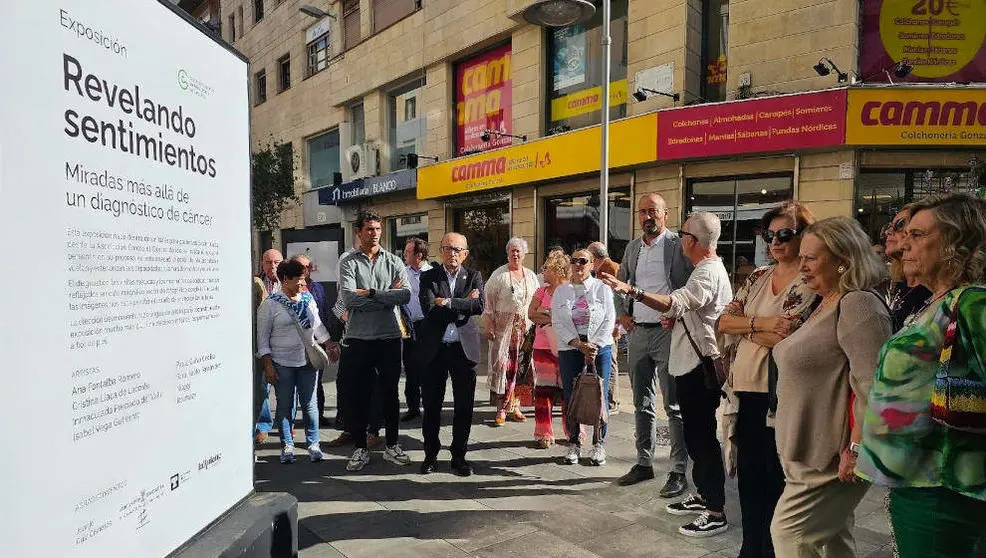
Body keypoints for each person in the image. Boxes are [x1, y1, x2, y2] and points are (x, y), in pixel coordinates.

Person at [857, 193, 986, 558]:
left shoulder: (973, 303)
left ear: (956, 242)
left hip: (942, 489)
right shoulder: (937, 301)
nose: (902, 247)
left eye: (917, 235)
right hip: (918, 482)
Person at [602, 211, 734, 537]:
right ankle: (704, 494)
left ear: (692, 241)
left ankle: (715, 511)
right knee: (695, 434)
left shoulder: (706, 273)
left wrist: (631, 290)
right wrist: (677, 320)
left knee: (702, 438)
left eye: (683, 233)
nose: (679, 239)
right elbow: (692, 312)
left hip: (699, 367)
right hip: (689, 364)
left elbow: (677, 302)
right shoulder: (704, 269)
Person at [768, 217, 892, 557]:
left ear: (844, 260)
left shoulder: (858, 304)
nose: (802, 265)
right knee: (836, 538)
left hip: (831, 458)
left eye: (811, 258)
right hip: (808, 452)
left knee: (789, 534)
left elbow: (873, 385)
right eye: (802, 256)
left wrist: (855, 449)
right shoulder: (822, 301)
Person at [715, 201, 819, 557]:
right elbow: (723, 322)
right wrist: (760, 325)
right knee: (749, 482)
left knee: (777, 483)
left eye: (785, 234)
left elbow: (788, 336)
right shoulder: (758, 277)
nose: (775, 241)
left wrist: (746, 328)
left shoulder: (811, 281)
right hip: (744, 392)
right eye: (768, 234)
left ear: (804, 236)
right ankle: (750, 549)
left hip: (780, 396)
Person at [613, 193, 694, 498]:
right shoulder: (633, 247)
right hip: (638, 335)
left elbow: (689, 286)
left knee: (673, 405)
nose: (648, 217)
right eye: (643, 212)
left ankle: (677, 469)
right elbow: (620, 284)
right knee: (641, 403)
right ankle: (643, 462)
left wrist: (677, 315)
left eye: (653, 212)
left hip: (667, 334)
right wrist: (623, 314)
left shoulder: (677, 245)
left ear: (665, 214)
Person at [339, 209, 412, 472]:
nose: (374, 234)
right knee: (360, 395)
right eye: (369, 229)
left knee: (390, 393)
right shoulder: (349, 262)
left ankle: (392, 444)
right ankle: (360, 448)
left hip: (390, 337)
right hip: (359, 338)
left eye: (378, 229)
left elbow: (404, 295)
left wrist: (370, 293)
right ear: (358, 232)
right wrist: (384, 296)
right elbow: (349, 299)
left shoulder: (393, 260)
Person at [416, 233, 485, 477]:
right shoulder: (428, 276)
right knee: (432, 406)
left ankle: (459, 457)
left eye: (457, 249)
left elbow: (479, 306)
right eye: (447, 248)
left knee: (464, 407)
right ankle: (430, 455)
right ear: (440, 251)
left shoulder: (474, 276)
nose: (452, 253)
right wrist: (461, 303)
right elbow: (428, 309)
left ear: (465, 253)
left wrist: (446, 302)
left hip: (462, 351)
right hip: (435, 350)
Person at [256, 259, 333, 464]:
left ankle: (313, 444)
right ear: (285, 279)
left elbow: (318, 326)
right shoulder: (270, 305)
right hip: (282, 363)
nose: (302, 282)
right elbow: (262, 339)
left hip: (307, 361)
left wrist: (330, 344)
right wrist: (268, 365)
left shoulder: (308, 299)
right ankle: (287, 445)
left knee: (310, 405)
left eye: (303, 277)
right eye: (298, 278)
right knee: (285, 405)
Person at [553, 248, 616, 466]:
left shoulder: (602, 289)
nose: (578, 265)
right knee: (571, 395)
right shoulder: (561, 291)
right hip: (571, 348)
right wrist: (578, 344)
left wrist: (593, 346)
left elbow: (609, 319)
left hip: (599, 349)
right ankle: (574, 442)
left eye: (583, 261)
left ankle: (599, 443)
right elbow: (557, 322)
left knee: (600, 394)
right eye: (574, 261)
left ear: (592, 265)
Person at [484, 237, 540, 425]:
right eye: (512, 251)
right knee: (504, 369)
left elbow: (537, 301)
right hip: (504, 331)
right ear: (507, 253)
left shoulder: (531, 276)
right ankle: (501, 409)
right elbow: (488, 304)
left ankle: (515, 406)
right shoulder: (498, 275)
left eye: (519, 251)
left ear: (524, 254)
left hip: (526, 331)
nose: (515, 254)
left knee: (522, 370)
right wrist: (489, 325)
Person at [528, 252, 571, 448]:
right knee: (544, 391)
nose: (543, 271)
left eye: (546, 268)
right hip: (542, 347)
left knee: (568, 391)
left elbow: (573, 318)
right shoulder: (541, 291)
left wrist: (546, 317)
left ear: (556, 270)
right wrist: (553, 319)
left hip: (567, 348)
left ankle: (572, 430)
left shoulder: (570, 290)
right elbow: (531, 314)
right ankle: (544, 432)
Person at [883, 205, 932, 332]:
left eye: (899, 225)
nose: (888, 232)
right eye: (889, 226)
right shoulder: (892, 284)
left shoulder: (936, 292)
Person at [293, 254, 329, 422]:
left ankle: (318, 416)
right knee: (295, 384)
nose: (305, 270)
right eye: (301, 266)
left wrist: (329, 341)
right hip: (295, 344)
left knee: (317, 381)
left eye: (308, 266)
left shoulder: (318, 288)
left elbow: (325, 314)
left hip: (317, 342)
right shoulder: (285, 288)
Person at [588, 241, 622, 416]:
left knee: (611, 360)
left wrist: (617, 325)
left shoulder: (612, 269)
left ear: (594, 257)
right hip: (601, 324)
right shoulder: (599, 271)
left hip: (610, 324)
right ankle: (604, 398)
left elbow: (619, 300)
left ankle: (612, 400)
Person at [401, 237, 432, 422]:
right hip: (408, 325)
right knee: (410, 366)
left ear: (419, 255)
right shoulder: (402, 273)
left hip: (427, 325)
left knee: (428, 368)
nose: (404, 254)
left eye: (408, 252)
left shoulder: (433, 273)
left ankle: (430, 405)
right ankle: (413, 407)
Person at [253, 271, 273, 445]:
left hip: (256, 341)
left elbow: (263, 312)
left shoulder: (256, 284)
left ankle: (263, 425)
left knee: (261, 385)